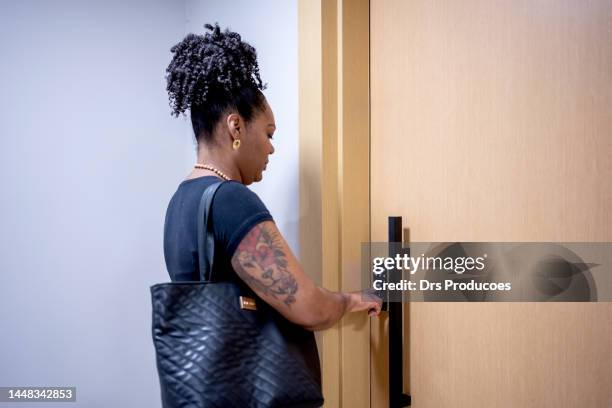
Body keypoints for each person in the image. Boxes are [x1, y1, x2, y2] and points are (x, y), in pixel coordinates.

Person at [163, 23, 381, 335]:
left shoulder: (181, 200)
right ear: (236, 127)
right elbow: (307, 307)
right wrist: (350, 300)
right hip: (240, 383)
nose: (271, 148)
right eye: (268, 133)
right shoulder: (230, 199)